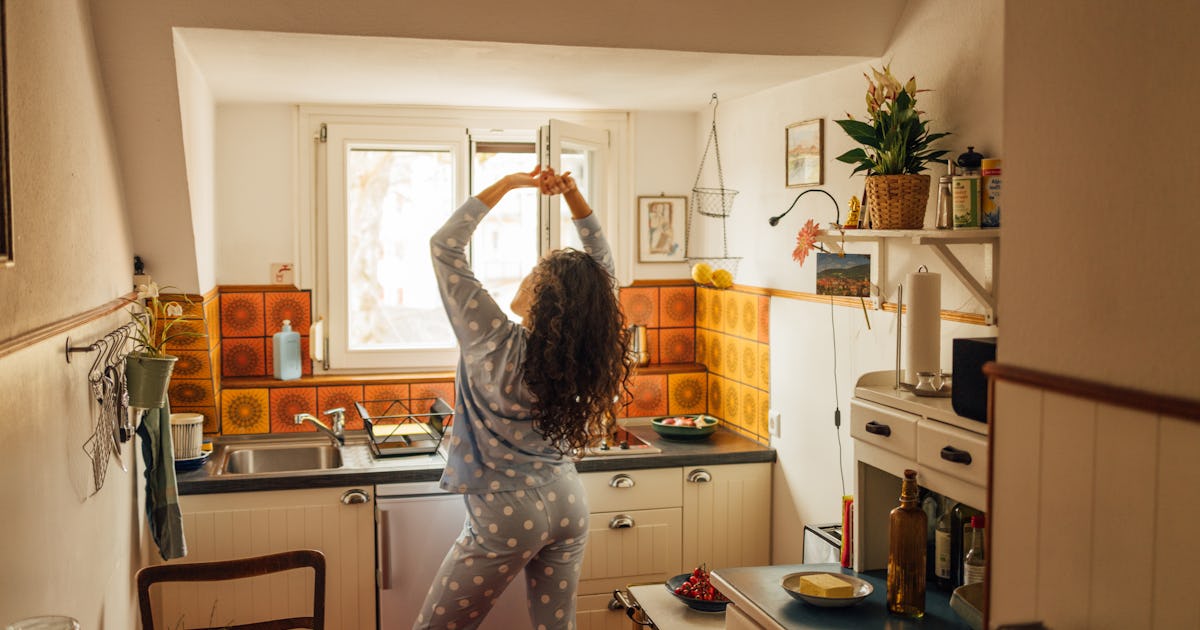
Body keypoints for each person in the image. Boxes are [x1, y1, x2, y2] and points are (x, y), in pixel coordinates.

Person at [416, 165, 632, 629]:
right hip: (566, 499)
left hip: (505, 512)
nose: (526, 276)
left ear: (544, 294)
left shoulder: (490, 338)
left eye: (536, 272)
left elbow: (445, 246)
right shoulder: (577, 354)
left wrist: (512, 184)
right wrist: (572, 195)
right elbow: (601, 267)